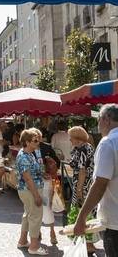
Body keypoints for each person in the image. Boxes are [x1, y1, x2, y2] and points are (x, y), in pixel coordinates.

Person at [74, 104, 118, 257]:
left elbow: (100, 184)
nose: (97, 123)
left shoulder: (108, 142)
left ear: (106, 119)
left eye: (98, 119)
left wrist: (81, 217)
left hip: (115, 221)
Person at [16, 129, 47, 256]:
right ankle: (34, 246)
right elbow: (28, 178)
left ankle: (23, 241)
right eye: (35, 140)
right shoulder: (24, 156)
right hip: (30, 190)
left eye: (38, 140)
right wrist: (36, 195)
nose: (38, 142)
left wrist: (42, 174)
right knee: (35, 217)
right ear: (27, 142)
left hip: (27, 190)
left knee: (28, 215)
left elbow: (31, 174)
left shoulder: (27, 153)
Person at [67, 126, 97, 254]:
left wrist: (79, 190)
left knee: (82, 212)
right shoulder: (86, 147)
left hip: (83, 186)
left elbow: (82, 171)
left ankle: (88, 244)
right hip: (86, 184)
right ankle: (86, 242)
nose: (69, 140)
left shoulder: (83, 149)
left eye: (71, 138)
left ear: (77, 138)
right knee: (86, 212)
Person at [30, 128, 58, 246]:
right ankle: (38, 231)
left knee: (47, 206)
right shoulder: (28, 149)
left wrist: (50, 168)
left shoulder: (46, 147)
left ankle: (52, 232)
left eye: (37, 136)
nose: (35, 139)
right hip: (34, 182)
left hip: (46, 181)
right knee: (36, 207)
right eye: (33, 137)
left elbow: (56, 162)